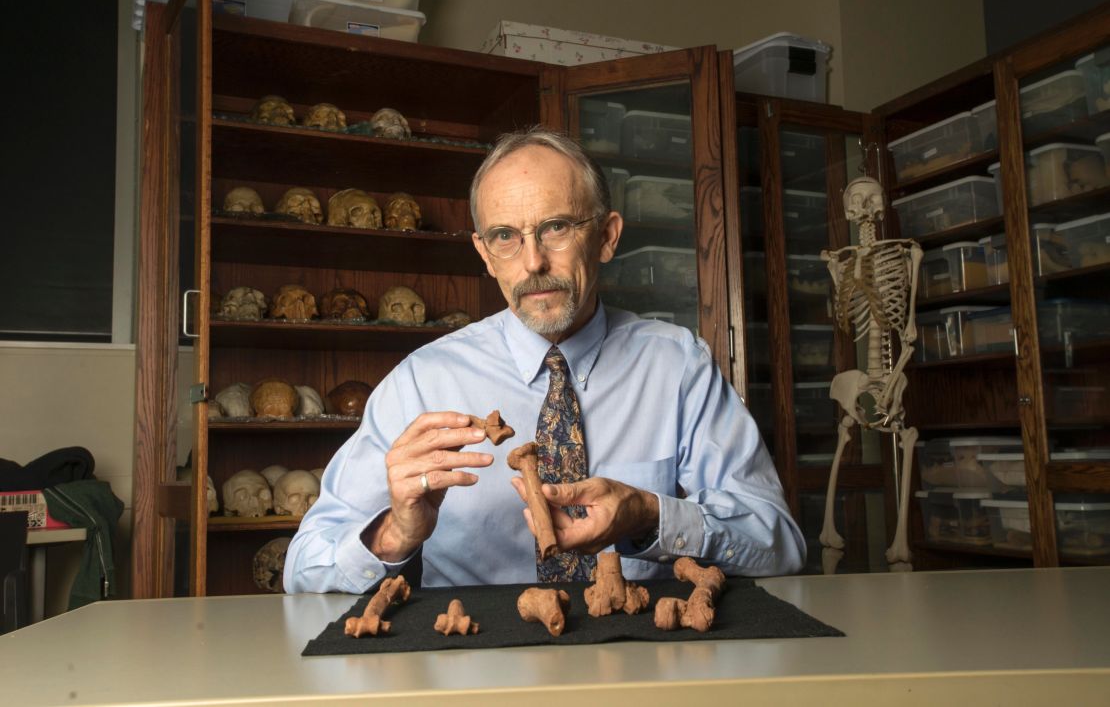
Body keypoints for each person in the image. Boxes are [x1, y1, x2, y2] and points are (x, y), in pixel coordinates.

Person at [284, 128, 804, 593]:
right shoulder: (422, 382)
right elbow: (303, 568)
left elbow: (779, 544)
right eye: (505, 237)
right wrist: (396, 532)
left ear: (606, 236)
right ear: (485, 255)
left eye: (555, 227)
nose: (533, 263)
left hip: (639, 668)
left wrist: (650, 515)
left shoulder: (678, 367)